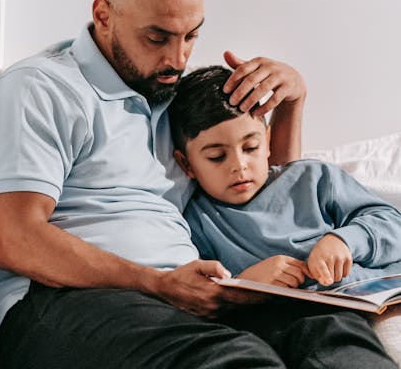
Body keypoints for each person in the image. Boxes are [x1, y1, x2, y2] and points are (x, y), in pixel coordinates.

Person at [0, 0, 401, 369]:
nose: (177, 58)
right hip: (58, 303)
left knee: (328, 327)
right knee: (236, 367)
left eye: (190, 37)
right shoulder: (43, 88)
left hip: (188, 295)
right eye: (158, 37)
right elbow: (15, 238)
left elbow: (268, 197)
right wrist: (159, 284)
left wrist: (292, 103)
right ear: (103, 15)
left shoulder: (174, 101)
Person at [169, 65, 401, 291]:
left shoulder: (313, 178)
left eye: (251, 147)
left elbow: (392, 224)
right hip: (291, 315)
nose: (239, 166)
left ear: (267, 142)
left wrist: (346, 240)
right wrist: (245, 282)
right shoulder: (198, 222)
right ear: (186, 163)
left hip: (372, 290)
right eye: (217, 156)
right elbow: (201, 292)